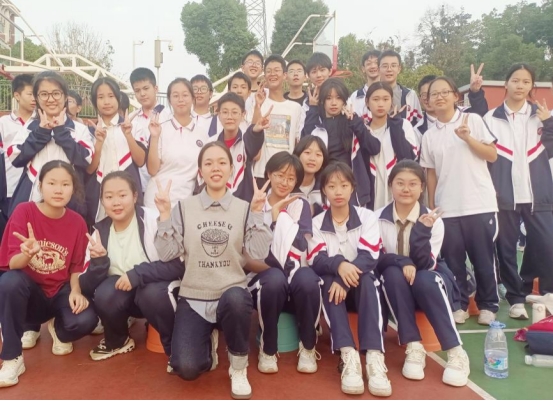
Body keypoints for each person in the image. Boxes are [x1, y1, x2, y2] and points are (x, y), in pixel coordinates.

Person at [154, 141, 256, 399]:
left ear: (232, 169)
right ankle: (208, 347)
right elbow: (167, 253)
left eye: (222, 162)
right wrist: (164, 214)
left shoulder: (243, 208)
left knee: (236, 298)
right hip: (195, 296)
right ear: (200, 171)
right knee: (187, 368)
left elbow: (258, 251)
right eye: (208, 163)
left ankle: (238, 367)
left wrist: (257, 214)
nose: (215, 168)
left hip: (231, 294)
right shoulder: (184, 207)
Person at [0, 161, 97, 388]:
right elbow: (12, 263)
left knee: (86, 319)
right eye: (52, 183)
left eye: (65, 184)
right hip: (30, 293)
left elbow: (76, 266)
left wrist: (75, 291)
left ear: (73, 188)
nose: (58, 190)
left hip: (59, 290)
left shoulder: (77, 222)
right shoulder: (24, 211)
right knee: (9, 282)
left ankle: (58, 328)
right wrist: (27, 254)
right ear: (40, 185)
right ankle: (12, 357)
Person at [376, 160, 470, 387]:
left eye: (413, 184)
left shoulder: (433, 220)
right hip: (394, 283)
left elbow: (426, 263)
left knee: (424, 279)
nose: (406, 189)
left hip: (429, 279)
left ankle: (456, 351)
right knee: (391, 273)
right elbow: (376, 260)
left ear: (421, 188)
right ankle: (413, 345)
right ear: (390, 185)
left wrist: (422, 230)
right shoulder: (377, 218)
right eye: (400, 183)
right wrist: (403, 261)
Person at [78, 171, 182, 364]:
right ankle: (118, 340)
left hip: (157, 290)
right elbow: (86, 285)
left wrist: (137, 274)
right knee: (104, 293)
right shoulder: (99, 232)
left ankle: (176, 345)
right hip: (126, 294)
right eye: (109, 197)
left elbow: (178, 265)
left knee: (151, 294)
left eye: (122, 195)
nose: (116, 202)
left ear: (135, 196)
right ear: (102, 201)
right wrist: (98, 262)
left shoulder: (154, 220)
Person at [420, 76, 499, 325]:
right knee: (453, 261)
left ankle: (488, 305)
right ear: (427, 101)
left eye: (445, 92)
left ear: (456, 96)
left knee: (483, 259)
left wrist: (468, 138)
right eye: (434, 94)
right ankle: (459, 304)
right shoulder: (429, 135)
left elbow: (492, 155)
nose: (439, 97)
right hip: (447, 208)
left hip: (479, 203)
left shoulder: (472, 120)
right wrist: (433, 205)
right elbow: (431, 173)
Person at [308, 162, 390, 397]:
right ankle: (348, 354)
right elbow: (316, 259)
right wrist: (339, 265)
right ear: (324, 190)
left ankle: (374, 356)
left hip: (360, 288)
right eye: (332, 186)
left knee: (368, 280)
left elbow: (370, 256)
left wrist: (344, 278)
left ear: (353, 187)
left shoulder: (367, 217)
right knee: (327, 281)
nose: (338, 191)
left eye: (344, 185)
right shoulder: (316, 223)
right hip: (333, 291)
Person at [484, 63, 553, 318]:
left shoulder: (543, 115)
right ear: (506, 83)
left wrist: (549, 123)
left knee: (547, 244)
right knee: (506, 249)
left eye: (526, 81)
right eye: (515, 80)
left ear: (532, 86)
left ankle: (546, 292)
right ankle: (515, 298)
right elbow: (486, 157)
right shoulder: (491, 118)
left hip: (539, 194)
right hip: (504, 195)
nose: (520, 86)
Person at [245, 152, 322, 374]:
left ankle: (308, 347)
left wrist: (278, 220)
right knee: (274, 279)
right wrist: (273, 218)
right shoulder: (255, 204)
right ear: (269, 174)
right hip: (264, 279)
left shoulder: (300, 205)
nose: (284, 182)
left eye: (291, 178)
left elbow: (300, 245)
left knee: (308, 279)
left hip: (294, 273)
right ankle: (268, 349)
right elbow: (252, 252)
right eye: (280, 175)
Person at [8, 71, 93, 218]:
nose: (51, 99)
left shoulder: (79, 129)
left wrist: (61, 133)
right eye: (44, 94)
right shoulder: (29, 127)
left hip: (70, 202)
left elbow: (86, 160)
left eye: (56, 93)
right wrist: (41, 133)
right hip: (32, 199)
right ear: (37, 98)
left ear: (65, 96)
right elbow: (15, 158)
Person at [302, 78, 380, 207]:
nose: (333, 103)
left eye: (338, 98)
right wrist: (313, 108)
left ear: (344, 100)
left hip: (350, 186)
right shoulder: (317, 124)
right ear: (322, 100)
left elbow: (374, 148)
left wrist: (355, 122)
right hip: (321, 187)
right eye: (328, 98)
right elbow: (305, 146)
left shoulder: (353, 122)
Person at [85, 77, 146, 224]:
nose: (106, 102)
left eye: (111, 96)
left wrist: (128, 135)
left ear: (118, 98)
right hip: (100, 195)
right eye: (101, 97)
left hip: (129, 193)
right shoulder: (89, 132)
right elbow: (90, 169)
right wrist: (99, 143)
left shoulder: (133, 126)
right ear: (94, 101)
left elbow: (140, 161)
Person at [145, 78, 208, 209]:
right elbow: (152, 170)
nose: (180, 99)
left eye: (185, 95)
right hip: (156, 200)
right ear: (169, 100)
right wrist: (154, 138)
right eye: (175, 96)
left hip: (186, 204)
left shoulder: (202, 135)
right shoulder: (159, 129)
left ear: (192, 98)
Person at [365, 82, 419, 210]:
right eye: (375, 99)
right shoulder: (363, 130)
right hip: (372, 191)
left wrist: (395, 126)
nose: (380, 104)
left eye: (385, 99)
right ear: (367, 102)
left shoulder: (403, 124)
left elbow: (409, 157)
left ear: (391, 101)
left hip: (398, 189)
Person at [252, 55, 303, 189]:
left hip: (286, 175)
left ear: (285, 75)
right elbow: (252, 132)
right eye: (269, 71)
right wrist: (258, 106)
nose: (272, 74)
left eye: (276, 70)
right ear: (265, 75)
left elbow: (297, 142)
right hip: (261, 172)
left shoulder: (296, 108)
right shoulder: (257, 101)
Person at [207, 92, 267, 202]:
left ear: (243, 114)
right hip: (216, 201)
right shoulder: (211, 143)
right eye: (225, 112)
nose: (229, 117)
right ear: (218, 115)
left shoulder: (246, 139)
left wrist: (257, 130)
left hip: (242, 201)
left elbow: (253, 141)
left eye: (234, 112)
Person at [0, 74, 35, 230]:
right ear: (17, 95)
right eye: (30, 94)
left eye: (36, 94)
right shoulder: (3, 124)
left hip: (35, 191)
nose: (34, 98)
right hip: (9, 191)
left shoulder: (42, 123)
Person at [129, 67, 171, 193]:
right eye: (137, 90)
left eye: (146, 88)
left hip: (163, 184)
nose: (142, 94)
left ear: (155, 89)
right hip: (138, 185)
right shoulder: (131, 120)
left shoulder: (169, 117)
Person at [416, 64, 489, 137]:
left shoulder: (465, 114)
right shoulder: (417, 131)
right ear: (419, 99)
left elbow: (481, 112)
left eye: (443, 92)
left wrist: (475, 91)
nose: (428, 98)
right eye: (424, 94)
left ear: (455, 96)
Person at [378, 50, 422, 127]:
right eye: (385, 66)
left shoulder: (410, 95)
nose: (389, 69)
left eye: (393, 65)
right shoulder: (370, 95)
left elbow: (418, 124)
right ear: (378, 69)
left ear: (399, 69)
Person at [292, 135, 329, 216]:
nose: (312, 158)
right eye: (307, 152)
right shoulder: (287, 186)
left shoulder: (326, 187)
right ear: (297, 155)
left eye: (318, 154)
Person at [348, 50, 381, 122]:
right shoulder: (355, 96)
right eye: (369, 63)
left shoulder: (390, 94)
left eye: (376, 62)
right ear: (363, 69)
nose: (373, 66)